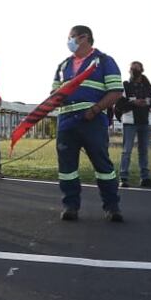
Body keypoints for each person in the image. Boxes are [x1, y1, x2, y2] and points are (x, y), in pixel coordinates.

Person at [53, 26, 125, 222]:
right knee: (67, 168)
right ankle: (70, 206)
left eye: (71, 38)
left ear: (84, 38)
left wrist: (94, 110)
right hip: (66, 122)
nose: (69, 41)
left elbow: (116, 91)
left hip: (92, 121)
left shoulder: (104, 61)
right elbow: (54, 94)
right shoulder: (63, 66)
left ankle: (112, 207)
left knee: (103, 165)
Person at [118, 61, 151, 189]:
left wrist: (149, 103)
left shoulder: (149, 87)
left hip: (145, 122)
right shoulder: (124, 86)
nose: (134, 71)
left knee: (143, 152)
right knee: (126, 151)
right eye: (132, 69)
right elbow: (119, 105)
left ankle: (145, 178)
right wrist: (134, 103)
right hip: (130, 122)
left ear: (142, 70)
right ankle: (123, 178)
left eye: (136, 68)